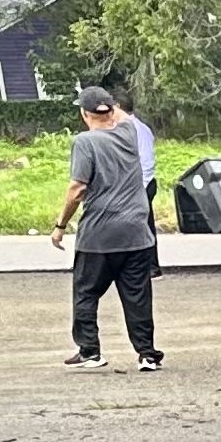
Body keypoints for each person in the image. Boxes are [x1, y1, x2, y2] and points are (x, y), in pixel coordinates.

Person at [47, 87, 161, 372]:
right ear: (111, 110)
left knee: (86, 292)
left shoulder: (85, 142)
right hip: (137, 232)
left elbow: (77, 188)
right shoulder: (128, 133)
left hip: (99, 233)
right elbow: (119, 115)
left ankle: (90, 351)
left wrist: (60, 225)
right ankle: (147, 354)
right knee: (137, 295)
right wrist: (108, 103)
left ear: (84, 114)